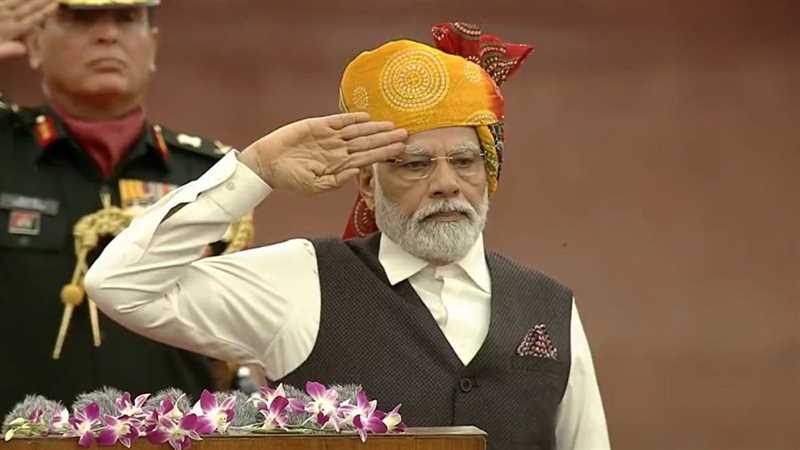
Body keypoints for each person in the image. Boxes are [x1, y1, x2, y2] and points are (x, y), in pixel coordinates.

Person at [86, 22, 610, 450]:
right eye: (414, 165)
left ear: (488, 173)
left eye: (465, 162)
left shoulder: (549, 306)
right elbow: (120, 285)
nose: (445, 184)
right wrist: (253, 172)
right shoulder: (304, 281)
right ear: (367, 181)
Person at [0, 0, 236, 416]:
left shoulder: (209, 177)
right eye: (81, 18)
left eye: (127, 19)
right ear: (34, 44)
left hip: (171, 440)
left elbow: (232, 342)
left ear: (153, 46)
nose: (107, 34)